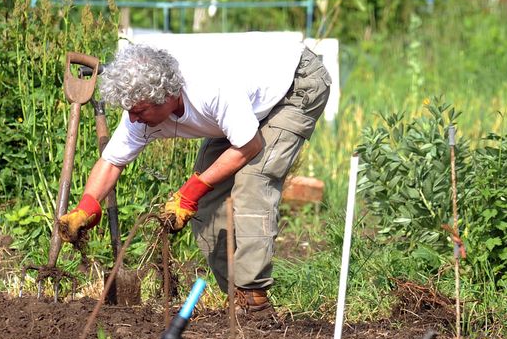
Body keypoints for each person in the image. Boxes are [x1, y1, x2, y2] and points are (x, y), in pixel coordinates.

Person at [57, 40, 331, 313]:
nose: (134, 119)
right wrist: (86, 207)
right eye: (130, 111)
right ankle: (238, 297)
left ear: (166, 95)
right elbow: (111, 162)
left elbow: (250, 146)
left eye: (140, 111)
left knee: (253, 180)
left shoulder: (210, 89)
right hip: (246, 104)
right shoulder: (139, 113)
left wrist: (190, 191)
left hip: (294, 84)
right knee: (208, 204)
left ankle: (253, 299)